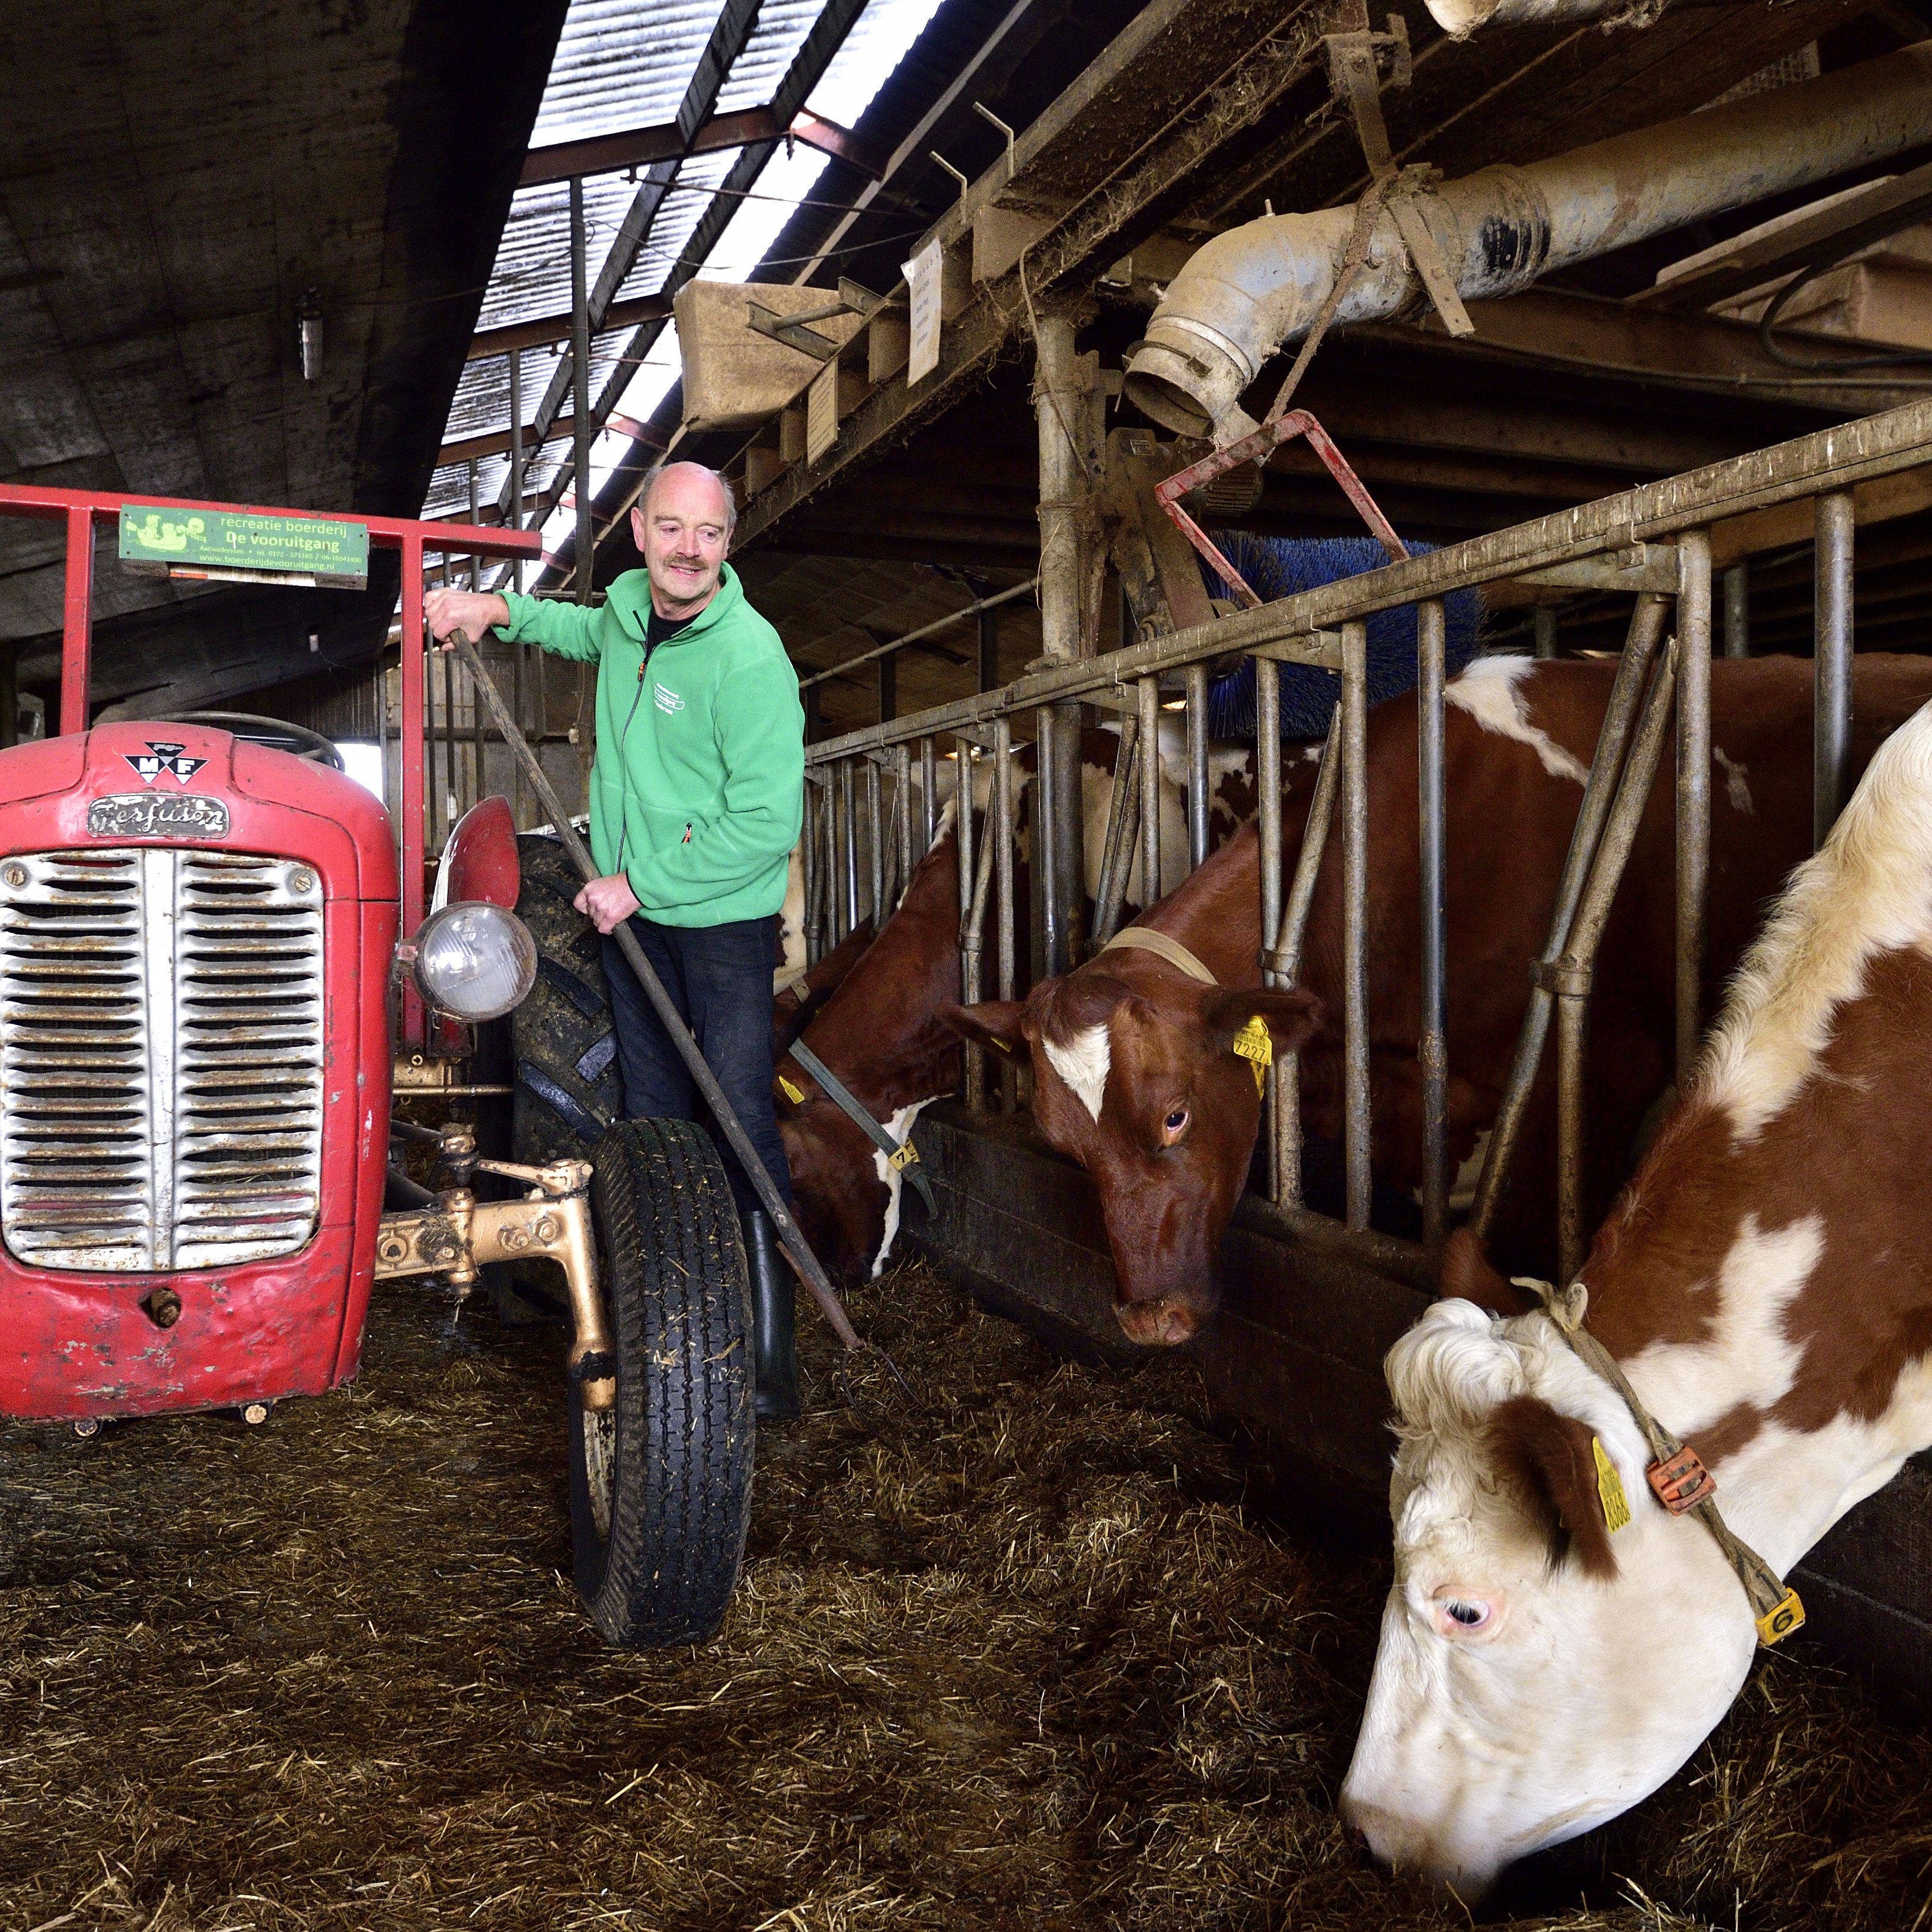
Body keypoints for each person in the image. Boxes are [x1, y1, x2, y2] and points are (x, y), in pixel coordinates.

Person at [425, 460, 805, 1420]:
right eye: (671, 529)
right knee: (650, 1123)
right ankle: (673, 1326)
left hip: (716, 926)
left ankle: (766, 1357)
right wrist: (494, 611)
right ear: (639, 531)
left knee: (738, 1124)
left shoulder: (750, 659)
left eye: (708, 535)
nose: (687, 550)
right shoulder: (631, 610)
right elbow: (575, 627)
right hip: (635, 922)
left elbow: (764, 824)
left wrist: (639, 882)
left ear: (728, 544)